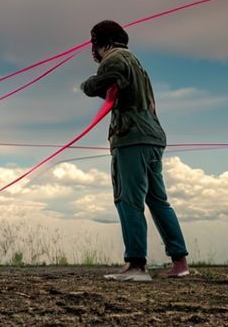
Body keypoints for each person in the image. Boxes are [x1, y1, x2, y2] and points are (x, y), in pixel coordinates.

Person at [80, 20, 188, 281]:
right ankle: (180, 263)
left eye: (94, 43)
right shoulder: (136, 62)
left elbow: (99, 85)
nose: (93, 50)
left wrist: (86, 85)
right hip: (153, 137)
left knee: (128, 199)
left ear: (102, 42)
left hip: (131, 138)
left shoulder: (114, 59)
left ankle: (136, 266)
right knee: (157, 200)